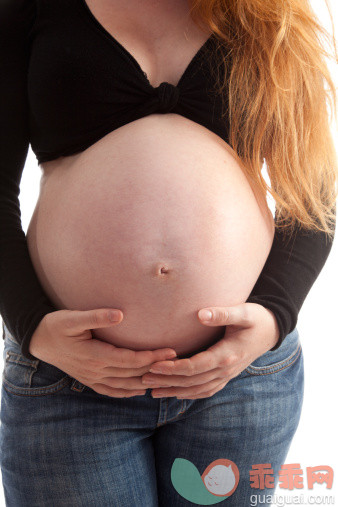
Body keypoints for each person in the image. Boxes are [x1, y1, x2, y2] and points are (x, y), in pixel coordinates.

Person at [0, 0, 336, 505]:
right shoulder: (29, 9)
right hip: (71, 384)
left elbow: (314, 189)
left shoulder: (272, 13)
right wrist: (35, 329)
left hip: (238, 384)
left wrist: (271, 320)